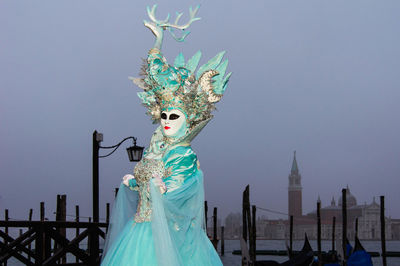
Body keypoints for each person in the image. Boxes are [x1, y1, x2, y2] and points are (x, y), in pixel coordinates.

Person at [101, 5, 231, 266]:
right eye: (165, 116)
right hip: (140, 232)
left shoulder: (183, 154)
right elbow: (149, 184)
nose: (168, 121)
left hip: (170, 239)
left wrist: (163, 189)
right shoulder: (155, 149)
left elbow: (182, 190)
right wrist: (134, 183)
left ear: (187, 120)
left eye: (175, 117)